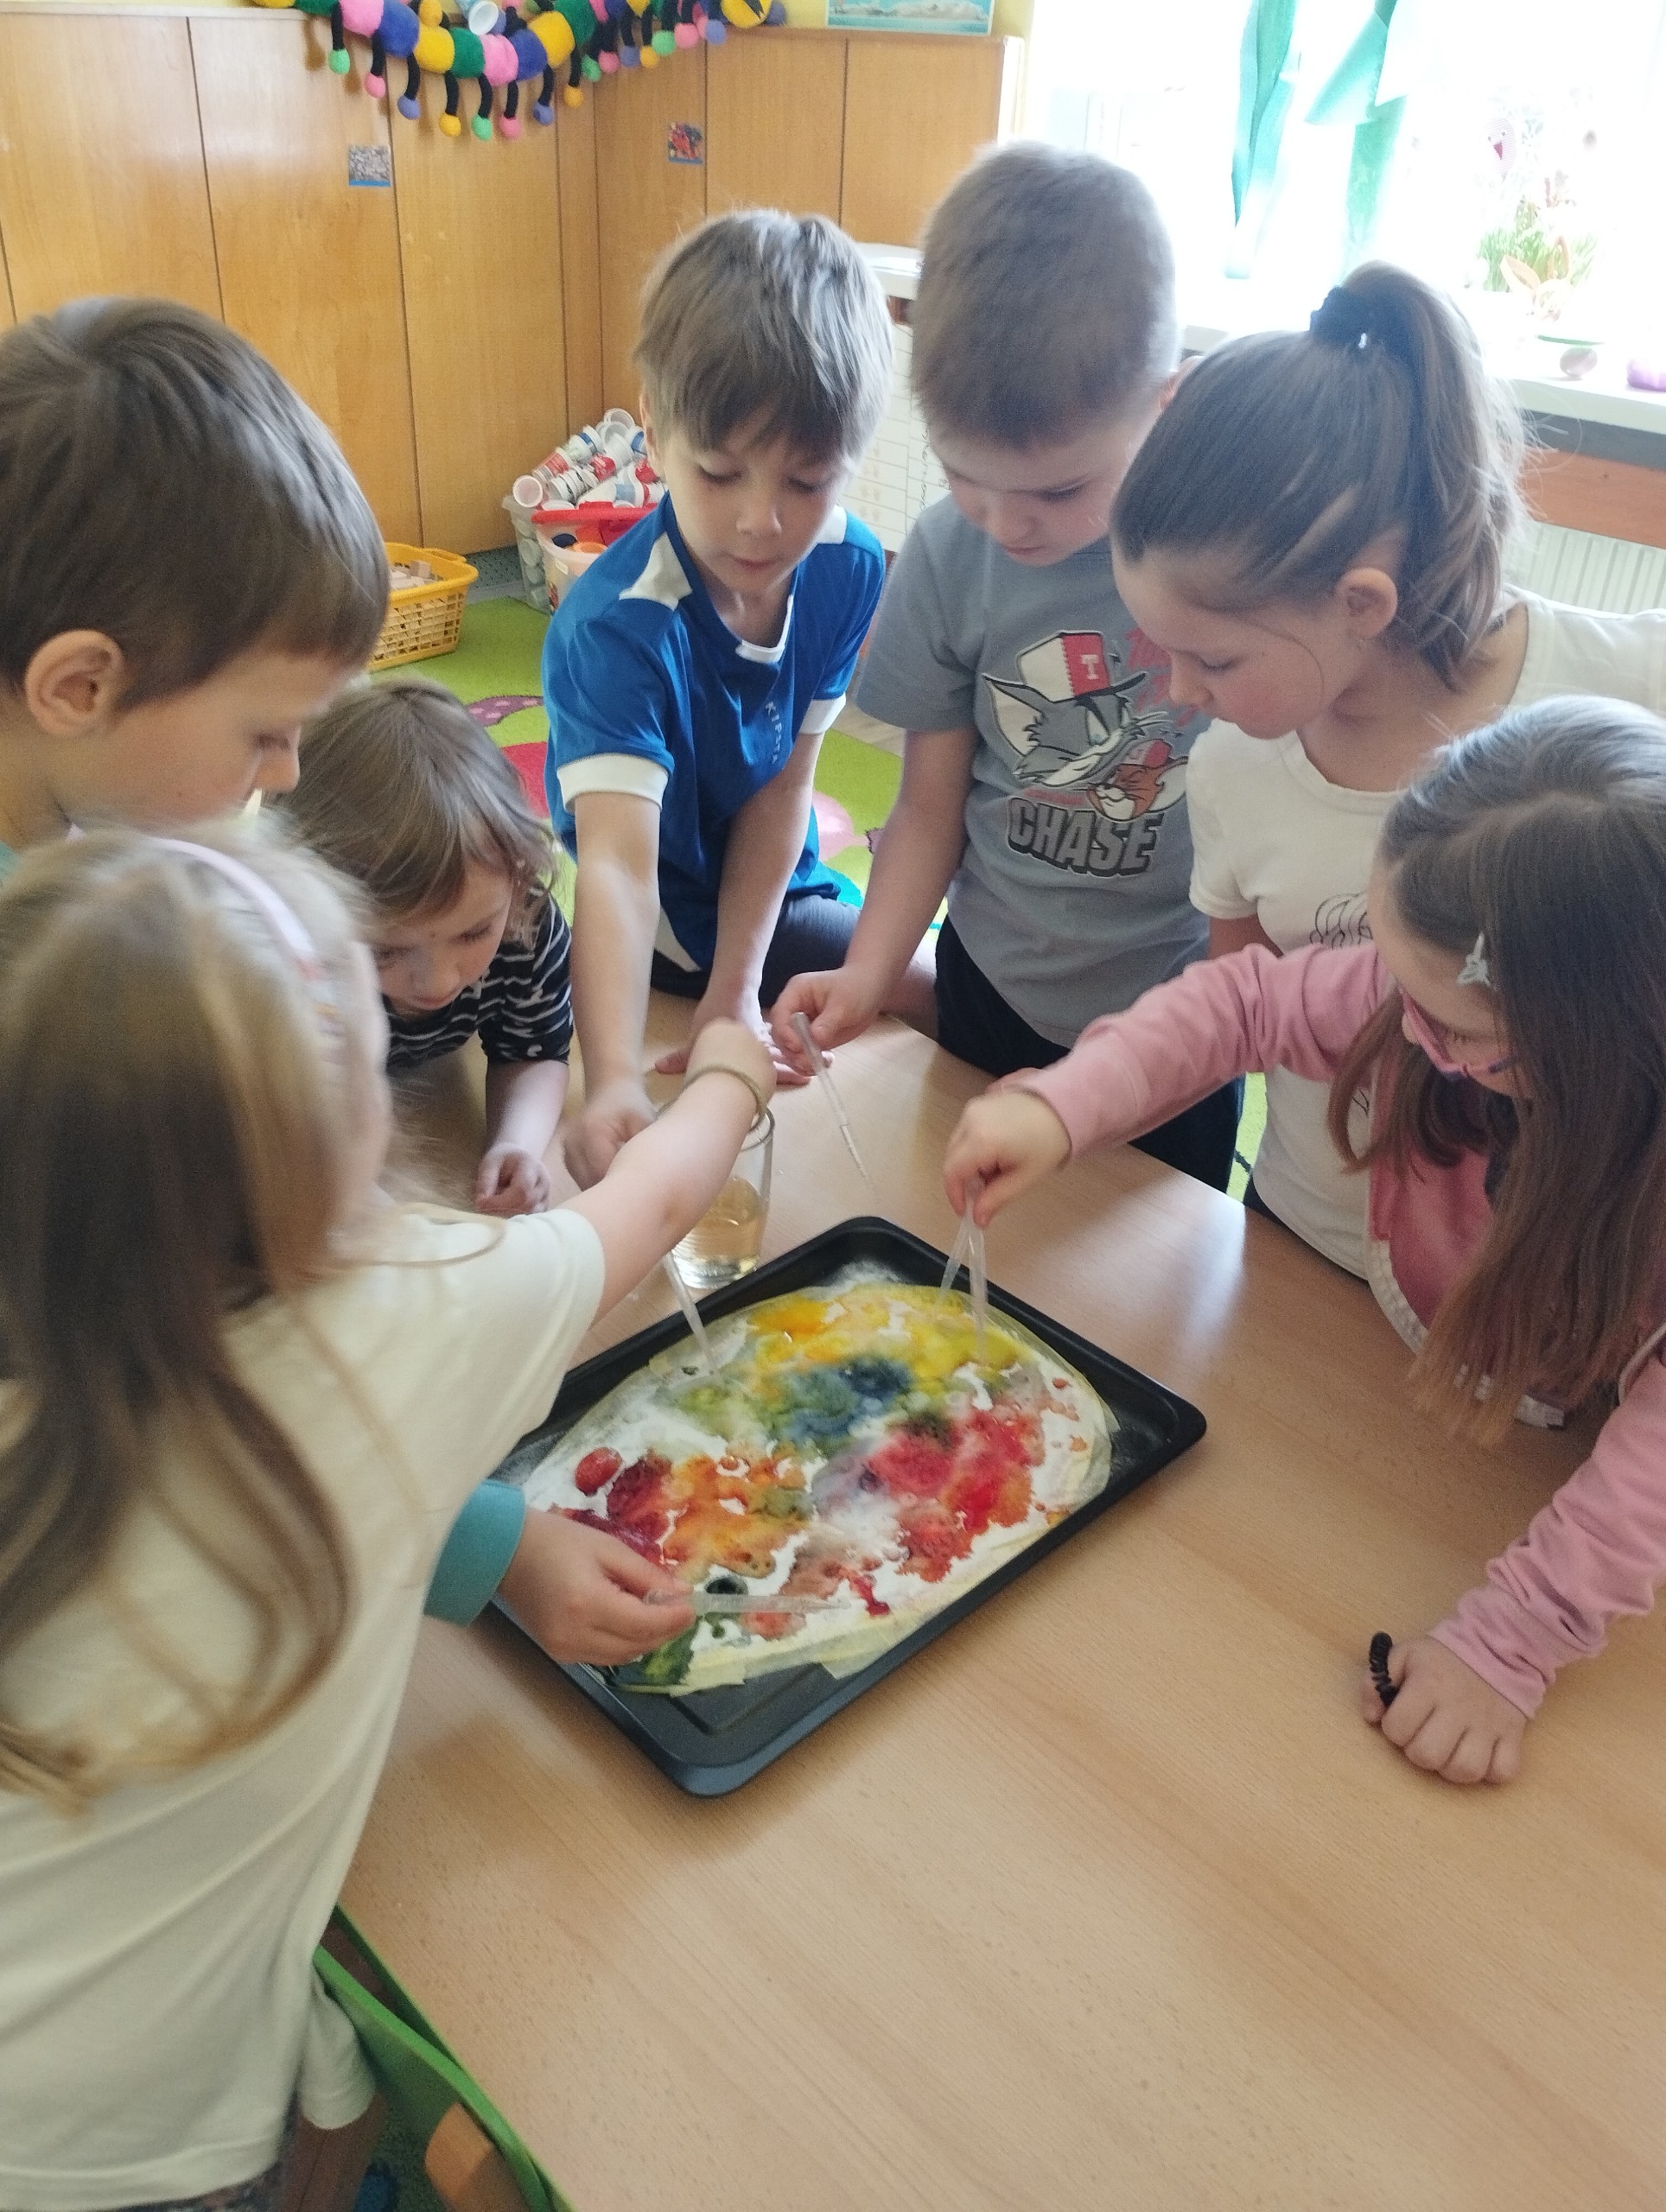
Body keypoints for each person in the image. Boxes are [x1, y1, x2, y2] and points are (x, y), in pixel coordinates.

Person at [0, 823, 773, 2207]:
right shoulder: (407, 1309)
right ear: (343, 1134)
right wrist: (730, 1063)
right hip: (110, 2137)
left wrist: (493, 1544)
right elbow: (659, 1194)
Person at [0, 295, 650, 1792]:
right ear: (79, 686)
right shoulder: (85, 964)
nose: (287, 777)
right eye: (264, 732)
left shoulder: (95, 846)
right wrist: (486, 1544)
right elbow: (212, 1364)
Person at [944, 697, 1666, 1787]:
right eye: (1392, 974)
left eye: (1455, 1030)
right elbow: (1243, 1003)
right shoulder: (1437, 990)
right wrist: (1066, 1102)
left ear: (1607, 1040)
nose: (1402, 1025)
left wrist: (1508, 1644)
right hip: (1454, 1404)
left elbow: (1644, 1475)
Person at [1109, 262, 1666, 1269]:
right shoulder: (1231, 766)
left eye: (1215, 660)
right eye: (1163, 649)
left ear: (1359, 603)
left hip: (1549, 1288)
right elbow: (1241, 1009)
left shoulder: (1630, 681)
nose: (1178, 692)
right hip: (1305, 1234)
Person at [771, 143, 1242, 1190]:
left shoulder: (1224, 578)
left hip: (1172, 1030)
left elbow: (1256, 846)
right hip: (989, 991)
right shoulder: (947, 557)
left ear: (1164, 405)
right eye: (962, 476)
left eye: (1058, 490)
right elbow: (926, 808)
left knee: (1145, 1270)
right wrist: (869, 972)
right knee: (965, 1245)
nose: (1004, 522)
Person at [544, 207, 913, 1189]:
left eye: (807, 480)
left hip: (771, 890)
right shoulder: (615, 627)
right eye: (717, 473)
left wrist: (736, 994)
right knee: (906, 990)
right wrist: (610, 1081)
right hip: (661, 918)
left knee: (930, 986)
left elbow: (785, 787)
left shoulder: (848, 566)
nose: (761, 521)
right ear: (653, 430)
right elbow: (617, 873)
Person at [275, 677, 574, 1217]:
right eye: (384, 951)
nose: (438, 981)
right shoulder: (281, 955)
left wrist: (515, 1144)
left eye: (473, 933)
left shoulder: (525, 922)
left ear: (517, 875)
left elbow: (535, 1050)